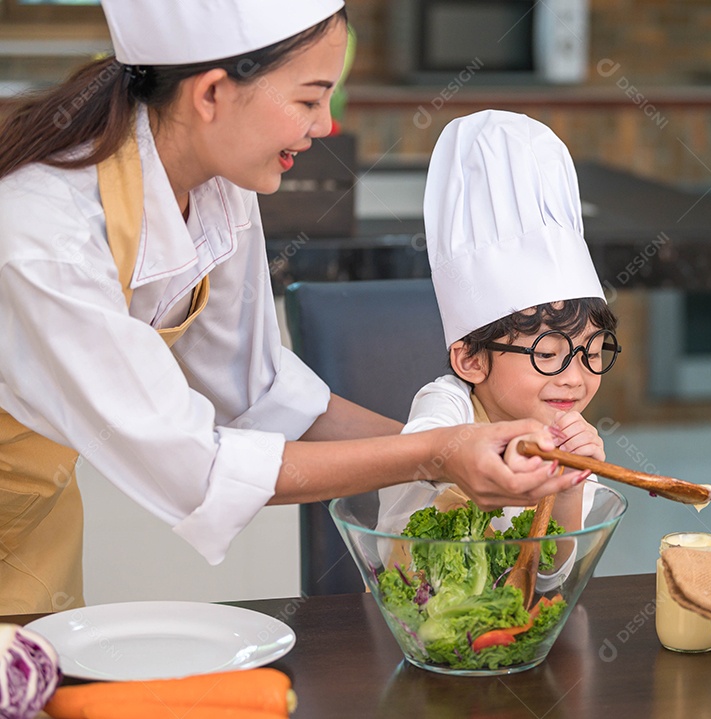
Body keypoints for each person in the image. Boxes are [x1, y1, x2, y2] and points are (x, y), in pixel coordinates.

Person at [0, 2, 580, 615]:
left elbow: (259, 393)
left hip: (32, 523)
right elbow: (197, 467)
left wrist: (464, 450)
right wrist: (435, 454)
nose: (327, 126)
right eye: (308, 100)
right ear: (213, 93)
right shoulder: (44, 238)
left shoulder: (215, 185)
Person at [377, 110, 619, 542]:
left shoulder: (564, 429)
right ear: (470, 358)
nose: (575, 379)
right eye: (547, 355)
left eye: (593, 353)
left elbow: (550, 576)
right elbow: (425, 447)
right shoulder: (448, 406)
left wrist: (569, 484)